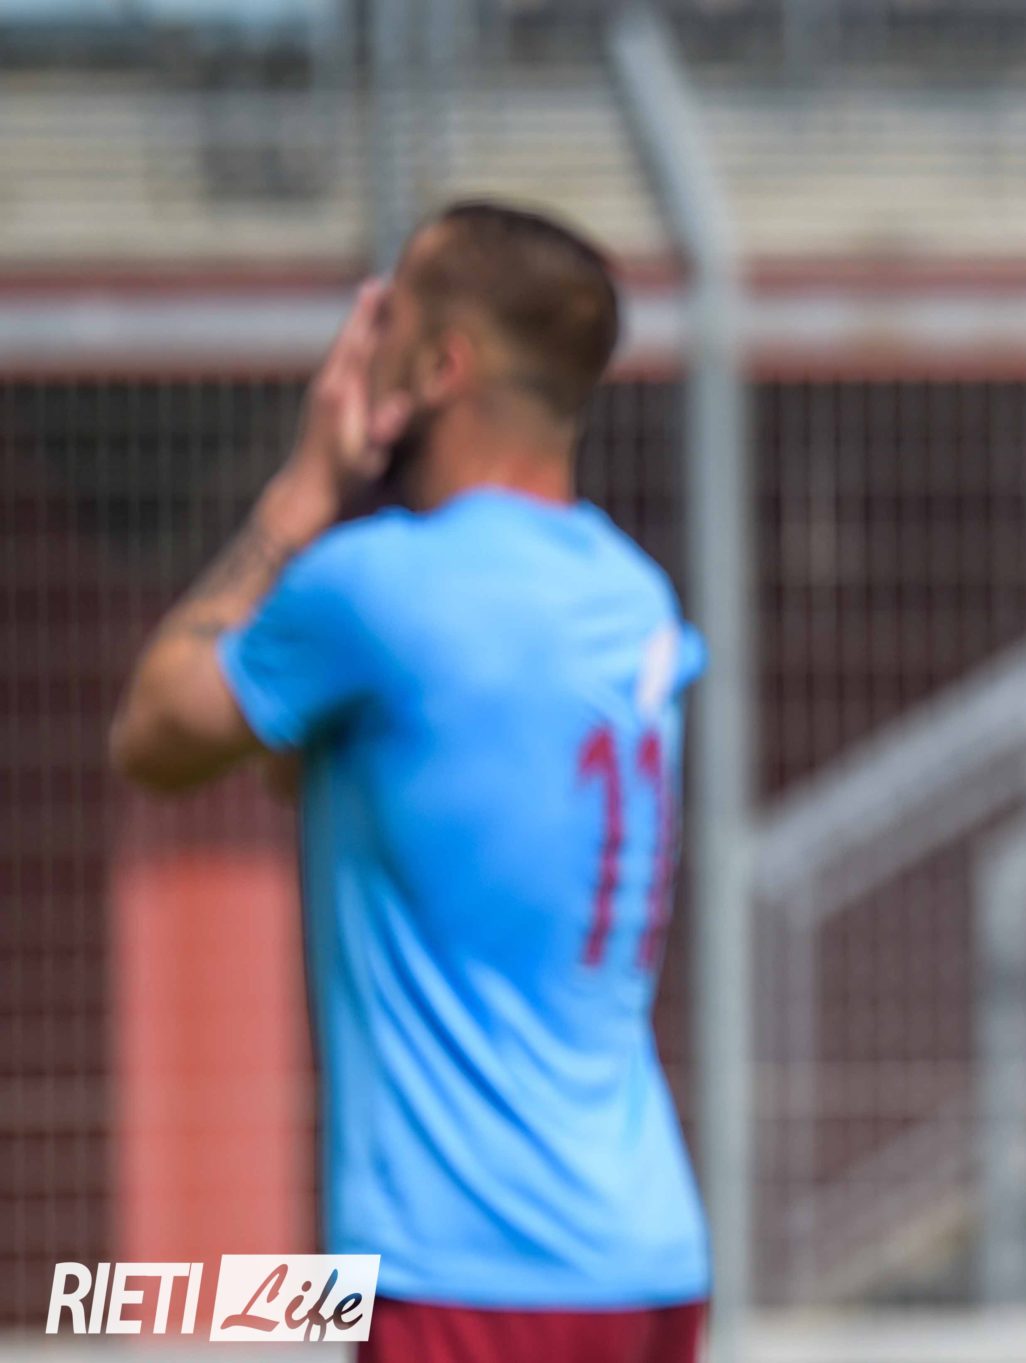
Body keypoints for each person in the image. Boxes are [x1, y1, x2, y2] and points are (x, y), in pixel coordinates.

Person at [109, 201, 710, 1363]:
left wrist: (299, 495)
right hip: (647, 1264)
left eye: (384, 316)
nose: (357, 342)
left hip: (463, 1269)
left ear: (441, 368)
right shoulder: (631, 596)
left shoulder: (375, 589)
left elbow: (156, 733)